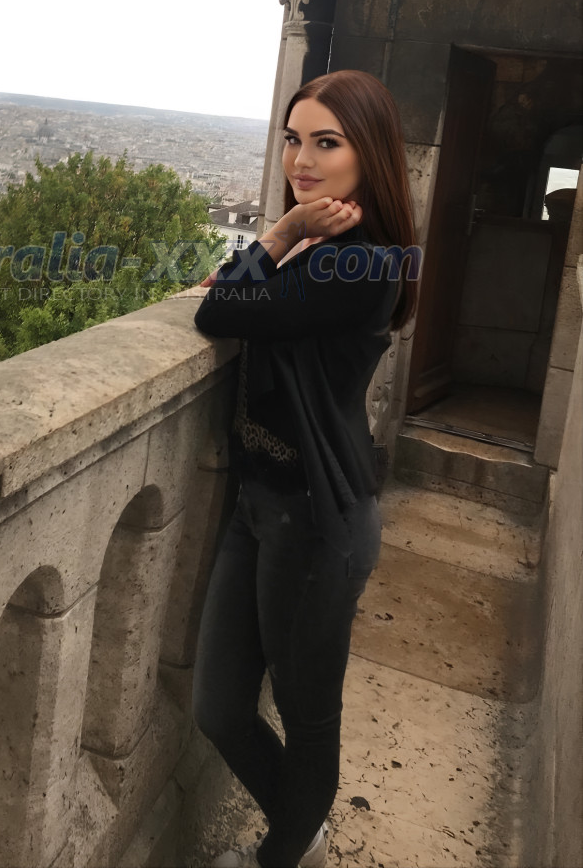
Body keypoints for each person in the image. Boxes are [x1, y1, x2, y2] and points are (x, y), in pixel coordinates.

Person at [191, 70, 418, 868]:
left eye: (326, 142)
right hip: (261, 503)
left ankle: (280, 856)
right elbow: (234, 299)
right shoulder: (330, 253)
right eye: (293, 140)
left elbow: (218, 308)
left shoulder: (363, 264)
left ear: (369, 154)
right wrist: (285, 247)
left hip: (319, 521)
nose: (302, 159)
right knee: (219, 706)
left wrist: (283, 231)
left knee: (308, 714)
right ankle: (301, 833)